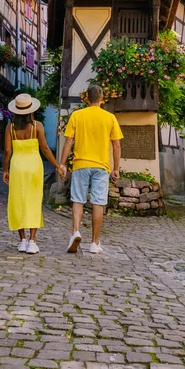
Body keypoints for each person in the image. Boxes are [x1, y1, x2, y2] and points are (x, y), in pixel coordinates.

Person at [59, 84, 123, 254]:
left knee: (78, 200)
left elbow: (68, 141)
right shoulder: (110, 118)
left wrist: (62, 164)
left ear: (86, 98)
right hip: (101, 166)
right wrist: (116, 168)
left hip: (80, 164)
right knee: (98, 203)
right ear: (102, 99)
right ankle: (94, 243)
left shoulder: (77, 115)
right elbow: (116, 144)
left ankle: (75, 232)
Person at [3, 93, 66, 254]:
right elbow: (45, 149)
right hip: (34, 167)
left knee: (17, 201)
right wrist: (58, 166)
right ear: (31, 111)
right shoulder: (37, 126)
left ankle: (22, 240)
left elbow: (7, 151)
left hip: (17, 166)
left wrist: (5, 170)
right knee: (33, 201)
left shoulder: (10, 128)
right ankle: (32, 241)